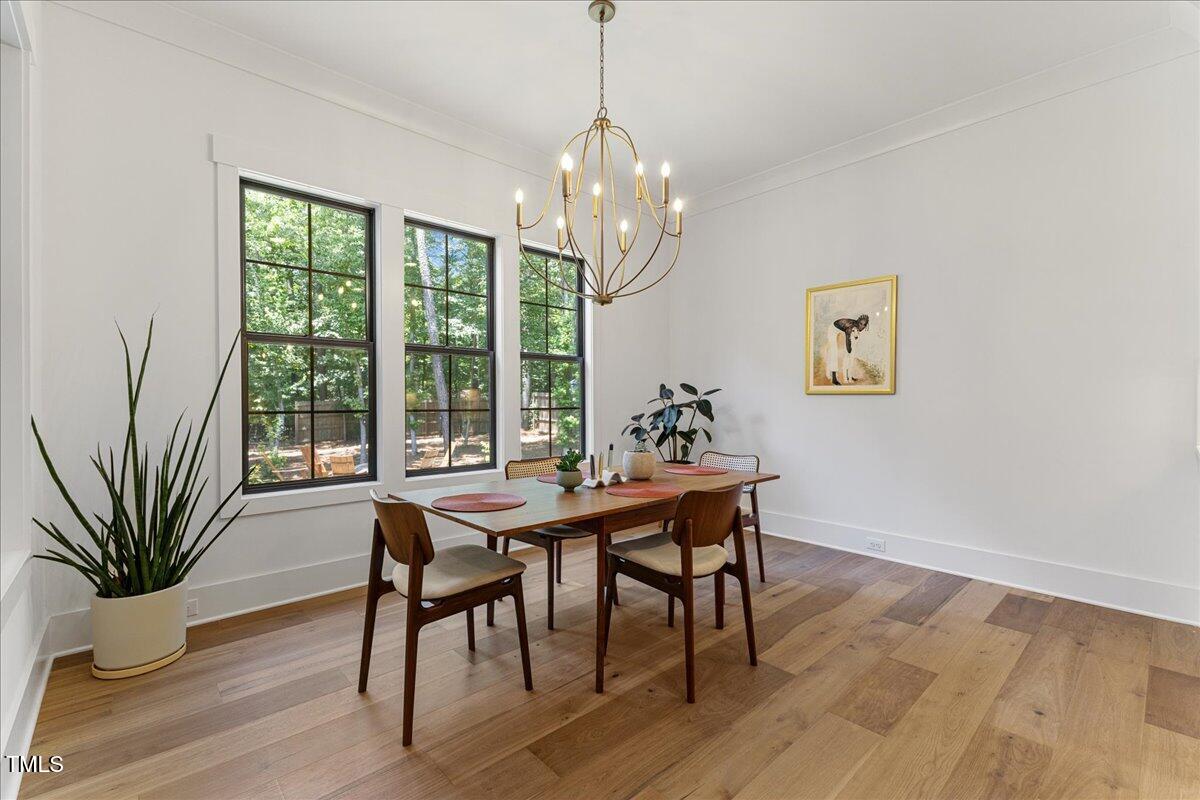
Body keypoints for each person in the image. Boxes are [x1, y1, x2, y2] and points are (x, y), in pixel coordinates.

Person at [824, 314, 870, 385]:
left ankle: (850, 376)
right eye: (861, 324)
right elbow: (848, 342)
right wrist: (849, 352)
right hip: (833, 329)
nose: (862, 326)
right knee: (834, 350)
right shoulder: (850, 327)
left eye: (864, 325)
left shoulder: (856, 327)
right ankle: (834, 377)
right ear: (858, 322)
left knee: (850, 354)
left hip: (841, 329)